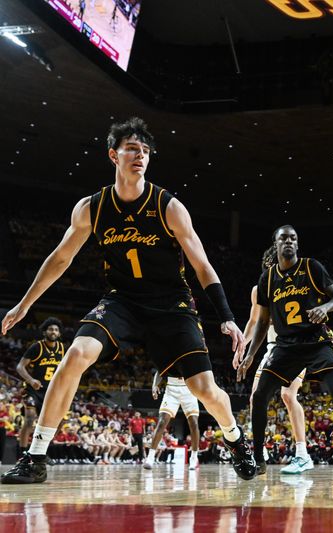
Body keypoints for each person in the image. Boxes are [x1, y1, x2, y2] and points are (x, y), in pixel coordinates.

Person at [0, 117, 256, 484]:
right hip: (121, 301)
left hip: (171, 304)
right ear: (113, 155)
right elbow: (60, 258)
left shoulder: (168, 206)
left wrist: (228, 317)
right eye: (132, 149)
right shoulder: (92, 207)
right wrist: (24, 304)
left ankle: (236, 440)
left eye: (145, 151)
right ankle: (36, 456)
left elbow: (202, 264)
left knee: (204, 389)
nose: (140, 156)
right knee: (75, 355)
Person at [235, 225, 333, 474]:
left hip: (316, 341)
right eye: (283, 238)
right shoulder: (266, 279)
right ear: (276, 244)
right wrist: (250, 355)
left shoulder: (311, 267)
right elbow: (262, 321)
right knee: (259, 396)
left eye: (293, 238)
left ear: (297, 244)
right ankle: (258, 457)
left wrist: (325, 308)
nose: (288, 242)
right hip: (285, 347)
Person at [242, 247, 312, 475]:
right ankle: (259, 451)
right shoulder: (260, 289)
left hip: (296, 346)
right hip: (273, 348)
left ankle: (302, 454)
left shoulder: (298, 285)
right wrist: (242, 348)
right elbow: (254, 322)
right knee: (256, 397)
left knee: (288, 394)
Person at [15, 317, 65, 457]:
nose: (53, 332)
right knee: (30, 418)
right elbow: (20, 367)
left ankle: (39, 451)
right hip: (33, 390)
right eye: (50, 329)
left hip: (50, 391)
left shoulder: (62, 349)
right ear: (44, 332)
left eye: (56, 329)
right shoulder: (37, 347)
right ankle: (22, 454)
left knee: (59, 421)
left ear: (59, 333)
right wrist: (31, 380)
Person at [146, 371, 201, 471]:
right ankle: (150, 457)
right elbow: (159, 370)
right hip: (171, 388)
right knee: (162, 422)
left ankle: (194, 457)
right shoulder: (168, 355)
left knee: (194, 423)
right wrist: (155, 385)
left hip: (190, 387)